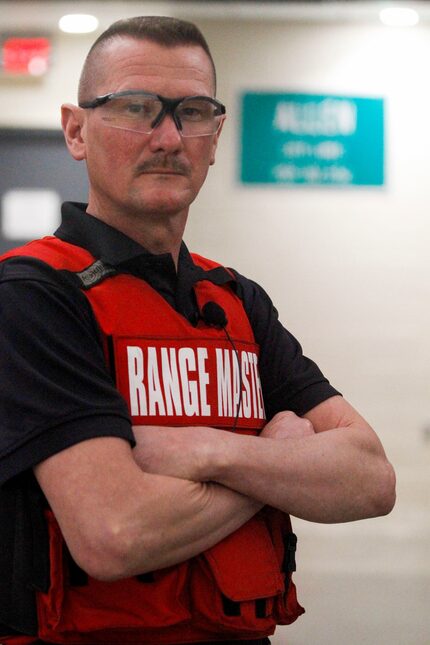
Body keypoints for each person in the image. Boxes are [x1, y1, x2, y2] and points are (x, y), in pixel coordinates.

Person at [0, 15, 395, 645]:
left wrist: (214, 453)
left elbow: (372, 479)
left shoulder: (237, 299)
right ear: (76, 130)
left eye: (193, 112)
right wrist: (281, 465)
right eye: (135, 108)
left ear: (216, 135)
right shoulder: (32, 297)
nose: (167, 136)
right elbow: (114, 533)